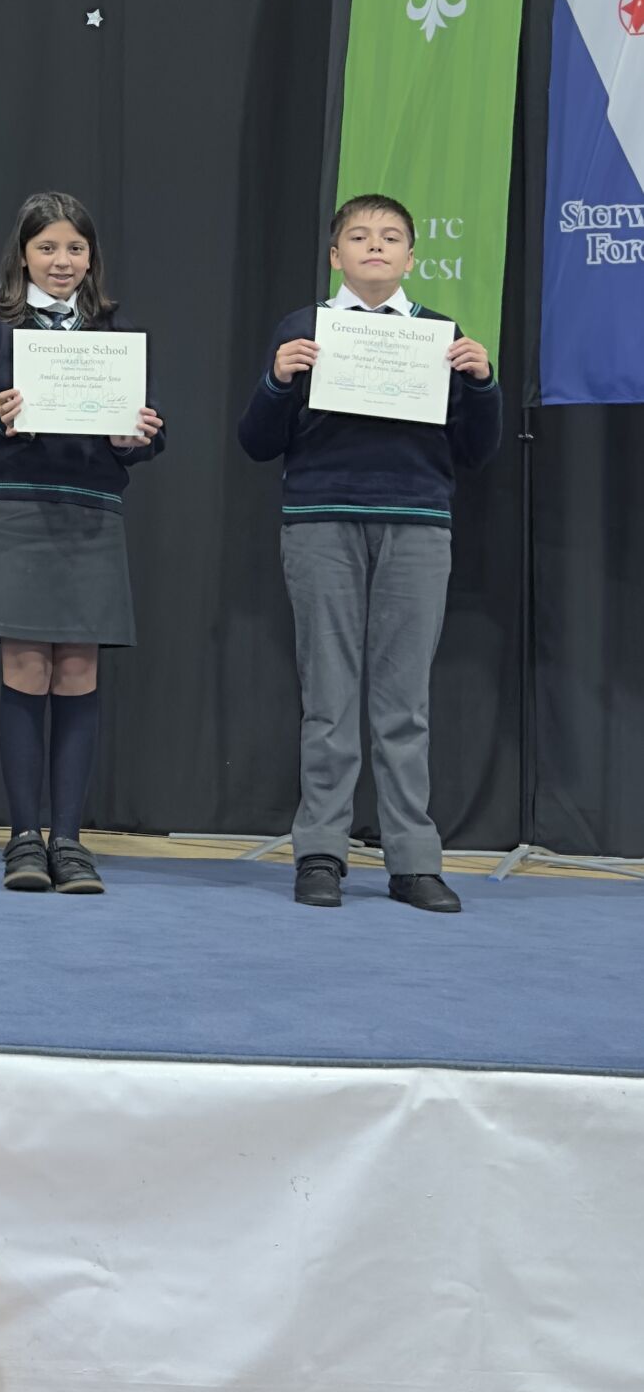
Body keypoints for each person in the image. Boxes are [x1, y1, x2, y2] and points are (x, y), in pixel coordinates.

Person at [236, 193, 501, 915]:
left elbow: (476, 451)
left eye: (389, 237)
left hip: (416, 524)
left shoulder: (441, 336)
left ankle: (411, 860)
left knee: (403, 702)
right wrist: (276, 382)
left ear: (411, 258)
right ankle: (321, 852)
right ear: (335, 256)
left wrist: (481, 385)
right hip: (320, 521)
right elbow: (256, 442)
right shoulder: (303, 330)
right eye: (358, 236)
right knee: (327, 698)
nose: (374, 246)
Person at [0, 190, 164, 895]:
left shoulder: (115, 331)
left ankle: (69, 839)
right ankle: (23, 839)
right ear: (22, 255)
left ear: (91, 258)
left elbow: (147, 431)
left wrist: (136, 437)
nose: (61, 261)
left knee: (78, 674)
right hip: (16, 513)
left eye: (74, 248)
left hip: (90, 515)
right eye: (47, 248)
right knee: (27, 671)